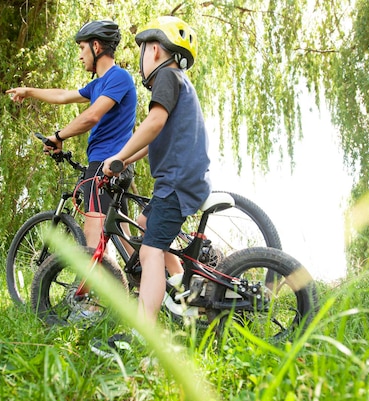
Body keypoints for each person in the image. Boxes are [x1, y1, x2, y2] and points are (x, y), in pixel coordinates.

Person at [90, 16, 212, 359]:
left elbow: (154, 122)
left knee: (149, 251)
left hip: (176, 181)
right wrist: (123, 159)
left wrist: (116, 158)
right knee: (145, 226)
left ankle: (144, 334)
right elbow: (153, 137)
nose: (142, 57)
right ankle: (182, 296)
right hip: (177, 178)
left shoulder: (167, 78)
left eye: (142, 49)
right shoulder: (176, 79)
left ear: (155, 50)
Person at [6, 20, 137, 249]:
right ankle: (139, 277)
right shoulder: (98, 85)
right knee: (124, 239)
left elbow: (91, 116)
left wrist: (58, 136)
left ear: (96, 47)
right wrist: (29, 92)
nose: (80, 56)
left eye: (82, 48)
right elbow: (63, 95)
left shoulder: (118, 77)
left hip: (105, 162)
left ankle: (85, 285)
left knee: (93, 238)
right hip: (111, 163)